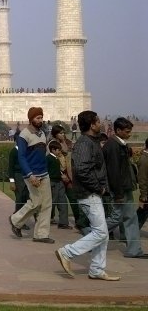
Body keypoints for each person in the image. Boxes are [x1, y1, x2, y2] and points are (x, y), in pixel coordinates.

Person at [55, 110, 120, 280]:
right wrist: (99, 188)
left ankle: (97, 269)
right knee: (100, 233)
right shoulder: (85, 143)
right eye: (98, 121)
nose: (101, 124)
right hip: (88, 193)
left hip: (91, 192)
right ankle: (67, 252)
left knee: (102, 233)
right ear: (92, 125)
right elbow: (82, 170)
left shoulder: (91, 141)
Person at [102, 117, 146, 259]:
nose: (129, 134)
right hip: (120, 189)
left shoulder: (119, 144)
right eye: (127, 131)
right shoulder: (113, 146)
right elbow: (114, 172)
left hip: (124, 188)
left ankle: (134, 250)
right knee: (116, 219)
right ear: (118, 130)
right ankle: (89, 238)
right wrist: (119, 193)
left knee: (130, 218)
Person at [9, 107, 54, 244]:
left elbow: (44, 153)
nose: (40, 120)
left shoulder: (42, 134)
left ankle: (41, 234)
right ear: (31, 119)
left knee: (46, 204)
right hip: (32, 175)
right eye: (37, 118)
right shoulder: (24, 135)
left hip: (43, 173)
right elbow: (21, 157)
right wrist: (30, 175)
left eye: (41, 117)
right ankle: (15, 220)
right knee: (36, 202)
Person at [47, 140, 71, 229]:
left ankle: (63, 222)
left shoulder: (56, 159)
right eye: (58, 150)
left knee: (63, 202)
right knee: (52, 203)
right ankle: (44, 219)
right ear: (53, 150)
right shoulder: (48, 158)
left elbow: (57, 170)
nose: (59, 152)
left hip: (59, 182)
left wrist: (61, 175)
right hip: (53, 183)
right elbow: (49, 172)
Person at [8, 144, 30, 230]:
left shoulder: (26, 151)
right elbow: (10, 167)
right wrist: (12, 181)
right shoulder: (14, 151)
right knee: (20, 199)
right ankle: (17, 221)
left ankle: (20, 220)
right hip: (18, 176)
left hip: (26, 176)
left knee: (26, 199)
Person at [137, 138, 148, 230]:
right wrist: (144, 194)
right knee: (142, 213)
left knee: (143, 212)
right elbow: (142, 178)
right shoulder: (144, 160)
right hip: (147, 192)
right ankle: (130, 232)